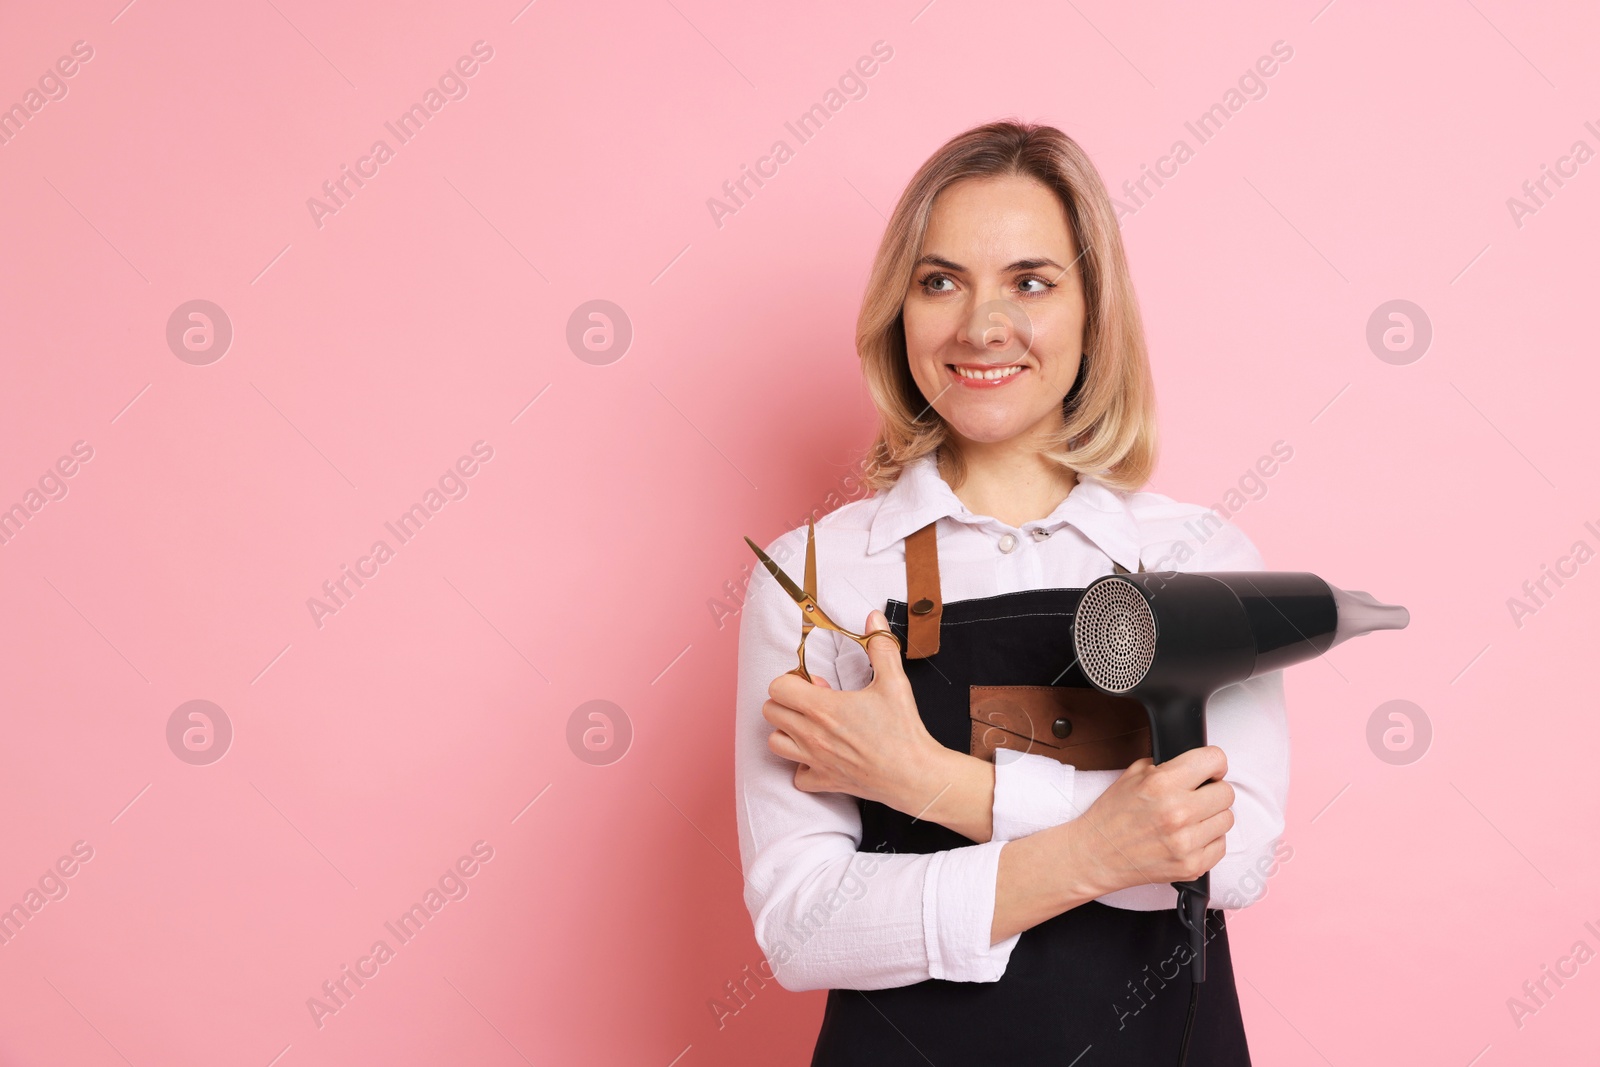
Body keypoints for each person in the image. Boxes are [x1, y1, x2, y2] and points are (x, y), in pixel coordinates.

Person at [733, 120, 1289, 1065]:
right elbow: (801, 925)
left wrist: (932, 784)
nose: (980, 326)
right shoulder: (819, 574)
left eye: (1030, 282)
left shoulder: (1200, 559)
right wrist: (1097, 848)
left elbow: (1231, 858)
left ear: (1093, 311)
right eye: (940, 280)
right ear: (899, 311)